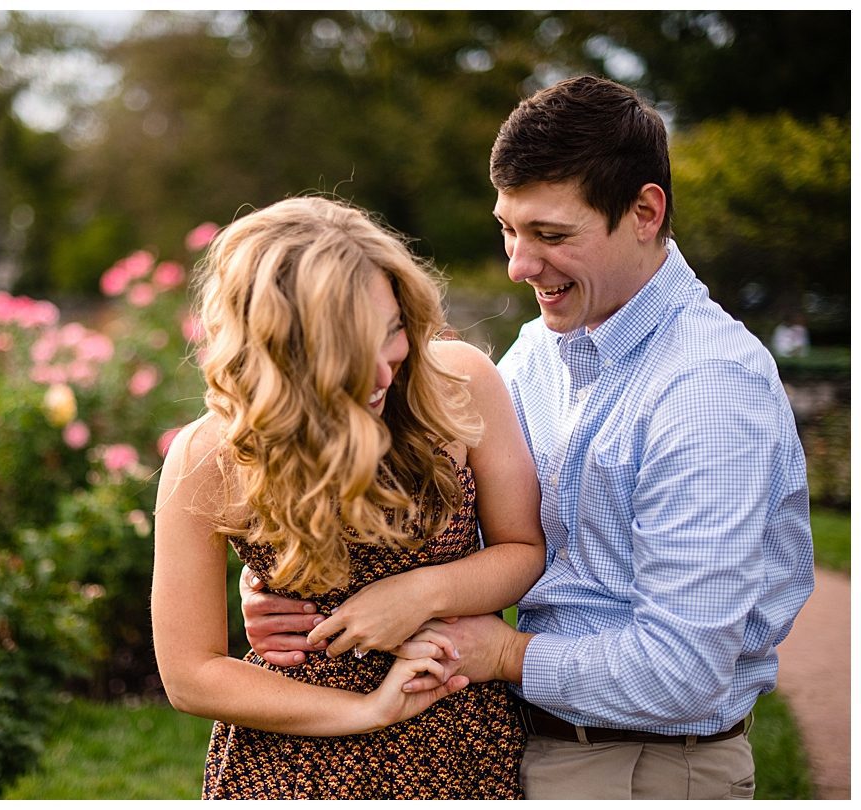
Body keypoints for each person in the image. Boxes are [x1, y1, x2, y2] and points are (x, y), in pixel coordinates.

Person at [244, 76, 814, 800]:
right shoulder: (533, 355)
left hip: (649, 766)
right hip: (529, 742)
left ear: (644, 211)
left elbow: (685, 672)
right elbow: (434, 515)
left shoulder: (707, 390)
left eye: (550, 235)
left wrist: (506, 653)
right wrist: (281, 584)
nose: (519, 264)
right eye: (508, 229)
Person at [152, 195, 548, 798]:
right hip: (290, 757)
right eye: (349, 354)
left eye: (391, 331)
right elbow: (191, 675)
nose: (384, 374)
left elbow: (523, 549)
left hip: (458, 733)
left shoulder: (457, 386)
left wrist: (419, 593)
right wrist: (366, 710)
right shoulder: (210, 457)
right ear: (282, 352)